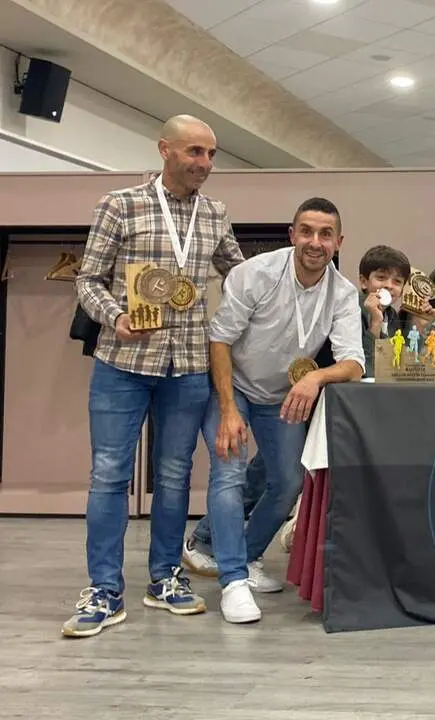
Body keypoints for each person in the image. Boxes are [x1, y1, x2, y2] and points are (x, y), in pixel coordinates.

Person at [63, 114, 245, 639]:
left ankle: (164, 578)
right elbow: (88, 278)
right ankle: (103, 589)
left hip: (188, 367)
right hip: (123, 365)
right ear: (165, 149)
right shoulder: (119, 204)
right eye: (194, 152)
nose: (204, 164)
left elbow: (239, 274)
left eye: (211, 155)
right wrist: (114, 317)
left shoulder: (215, 214)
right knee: (108, 477)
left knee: (173, 479)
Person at [206, 197, 365, 623]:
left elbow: (354, 362)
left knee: (289, 482)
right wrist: (227, 409)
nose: (315, 242)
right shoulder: (253, 274)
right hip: (235, 385)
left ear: (338, 242)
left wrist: (315, 378)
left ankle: (247, 555)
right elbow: (219, 339)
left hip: (283, 394)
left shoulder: (344, 293)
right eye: (307, 231)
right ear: (292, 234)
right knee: (229, 471)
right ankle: (233, 580)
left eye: (325, 234)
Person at [355, 245, 413, 375]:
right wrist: (375, 323)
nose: (389, 285)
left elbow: (398, 363)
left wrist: (418, 325)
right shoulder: (353, 309)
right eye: (381, 278)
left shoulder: (391, 315)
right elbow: (365, 368)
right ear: (363, 282)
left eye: (397, 281)